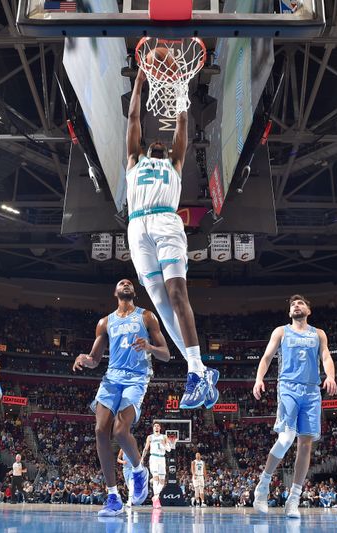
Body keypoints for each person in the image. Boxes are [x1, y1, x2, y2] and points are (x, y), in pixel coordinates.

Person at [125, 69, 218, 410]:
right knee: (162, 308)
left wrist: (180, 89)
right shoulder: (134, 162)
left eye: (162, 142)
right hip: (137, 229)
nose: (159, 142)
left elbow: (182, 125)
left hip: (166, 222)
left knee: (177, 294)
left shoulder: (175, 163)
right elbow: (134, 115)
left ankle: (195, 372)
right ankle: (200, 370)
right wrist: (138, 81)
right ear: (147, 147)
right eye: (154, 141)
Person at [73, 278, 170, 516]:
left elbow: (166, 354)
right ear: (115, 291)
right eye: (121, 282)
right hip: (111, 378)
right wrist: (85, 359)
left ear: (134, 292)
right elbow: (95, 360)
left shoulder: (147, 316)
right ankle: (113, 495)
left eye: (129, 282)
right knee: (99, 430)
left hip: (137, 378)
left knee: (119, 431)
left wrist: (149, 347)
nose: (125, 283)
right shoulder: (105, 322)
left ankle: (138, 471)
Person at [251, 294, 337, 519]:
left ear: (309, 310)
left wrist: (330, 376)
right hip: (288, 386)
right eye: (292, 304)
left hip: (312, 391)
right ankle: (263, 484)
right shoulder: (281, 331)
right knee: (287, 438)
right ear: (289, 312)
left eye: (300, 303)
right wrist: (259, 379)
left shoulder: (318, 334)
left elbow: (326, 356)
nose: (295, 306)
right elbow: (267, 356)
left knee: (306, 444)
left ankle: (294, 498)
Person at [142, 422, 175, 509]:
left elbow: (169, 449)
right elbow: (146, 449)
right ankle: (156, 500)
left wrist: (164, 445)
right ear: (153, 428)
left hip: (162, 459)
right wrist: (142, 459)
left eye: (158, 426)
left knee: (162, 482)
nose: (156, 427)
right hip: (153, 458)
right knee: (156, 478)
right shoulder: (150, 437)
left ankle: (155, 496)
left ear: (160, 428)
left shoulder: (164, 437)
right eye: (155, 426)